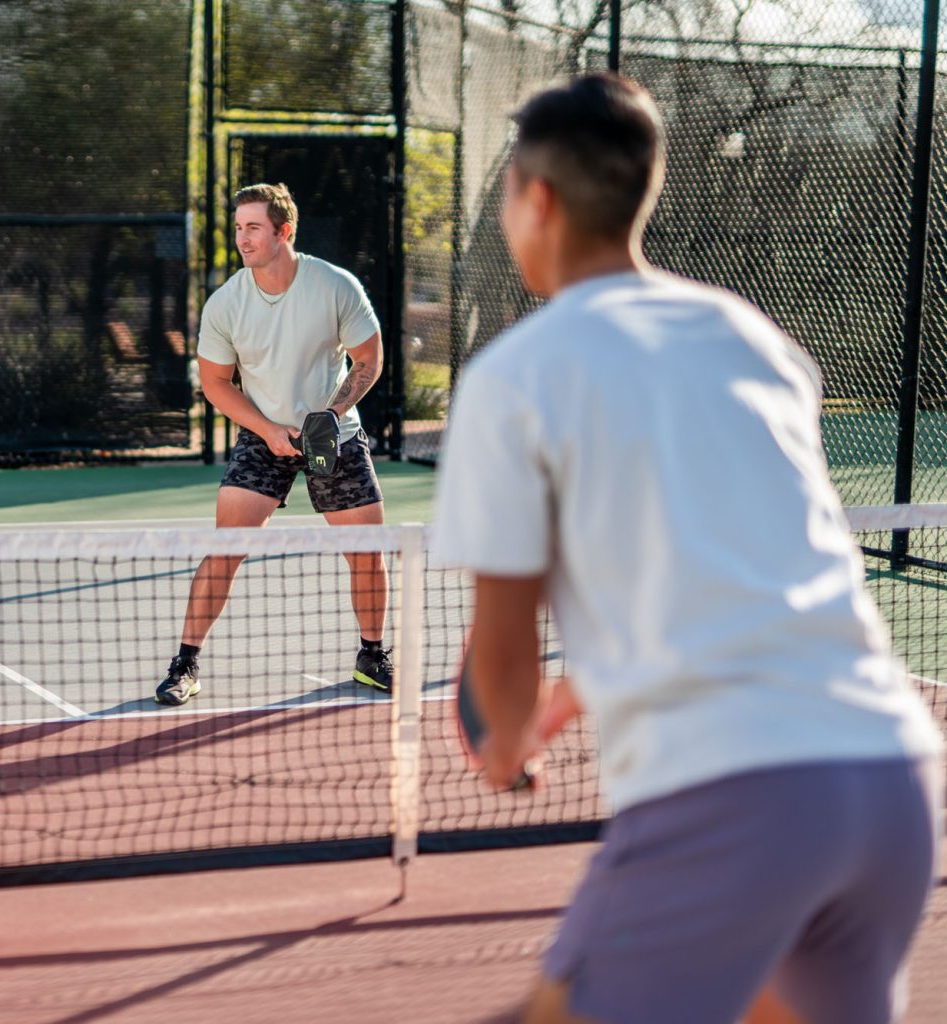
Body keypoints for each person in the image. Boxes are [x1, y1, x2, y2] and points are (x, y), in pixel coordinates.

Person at [430, 73, 943, 1024]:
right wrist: (564, 703)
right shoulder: (753, 341)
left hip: (736, 798)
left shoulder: (515, 376)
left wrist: (505, 743)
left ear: (536, 201)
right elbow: (738, 576)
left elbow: (501, 652)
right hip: (891, 778)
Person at [155, 183, 391, 706]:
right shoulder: (226, 303)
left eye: (253, 227)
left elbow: (368, 360)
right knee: (226, 549)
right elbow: (215, 383)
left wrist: (328, 416)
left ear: (284, 232)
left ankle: (372, 656)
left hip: (335, 434)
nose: (242, 237)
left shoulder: (335, 285)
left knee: (367, 551)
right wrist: (266, 429)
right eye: (238, 227)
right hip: (263, 434)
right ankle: (186, 662)